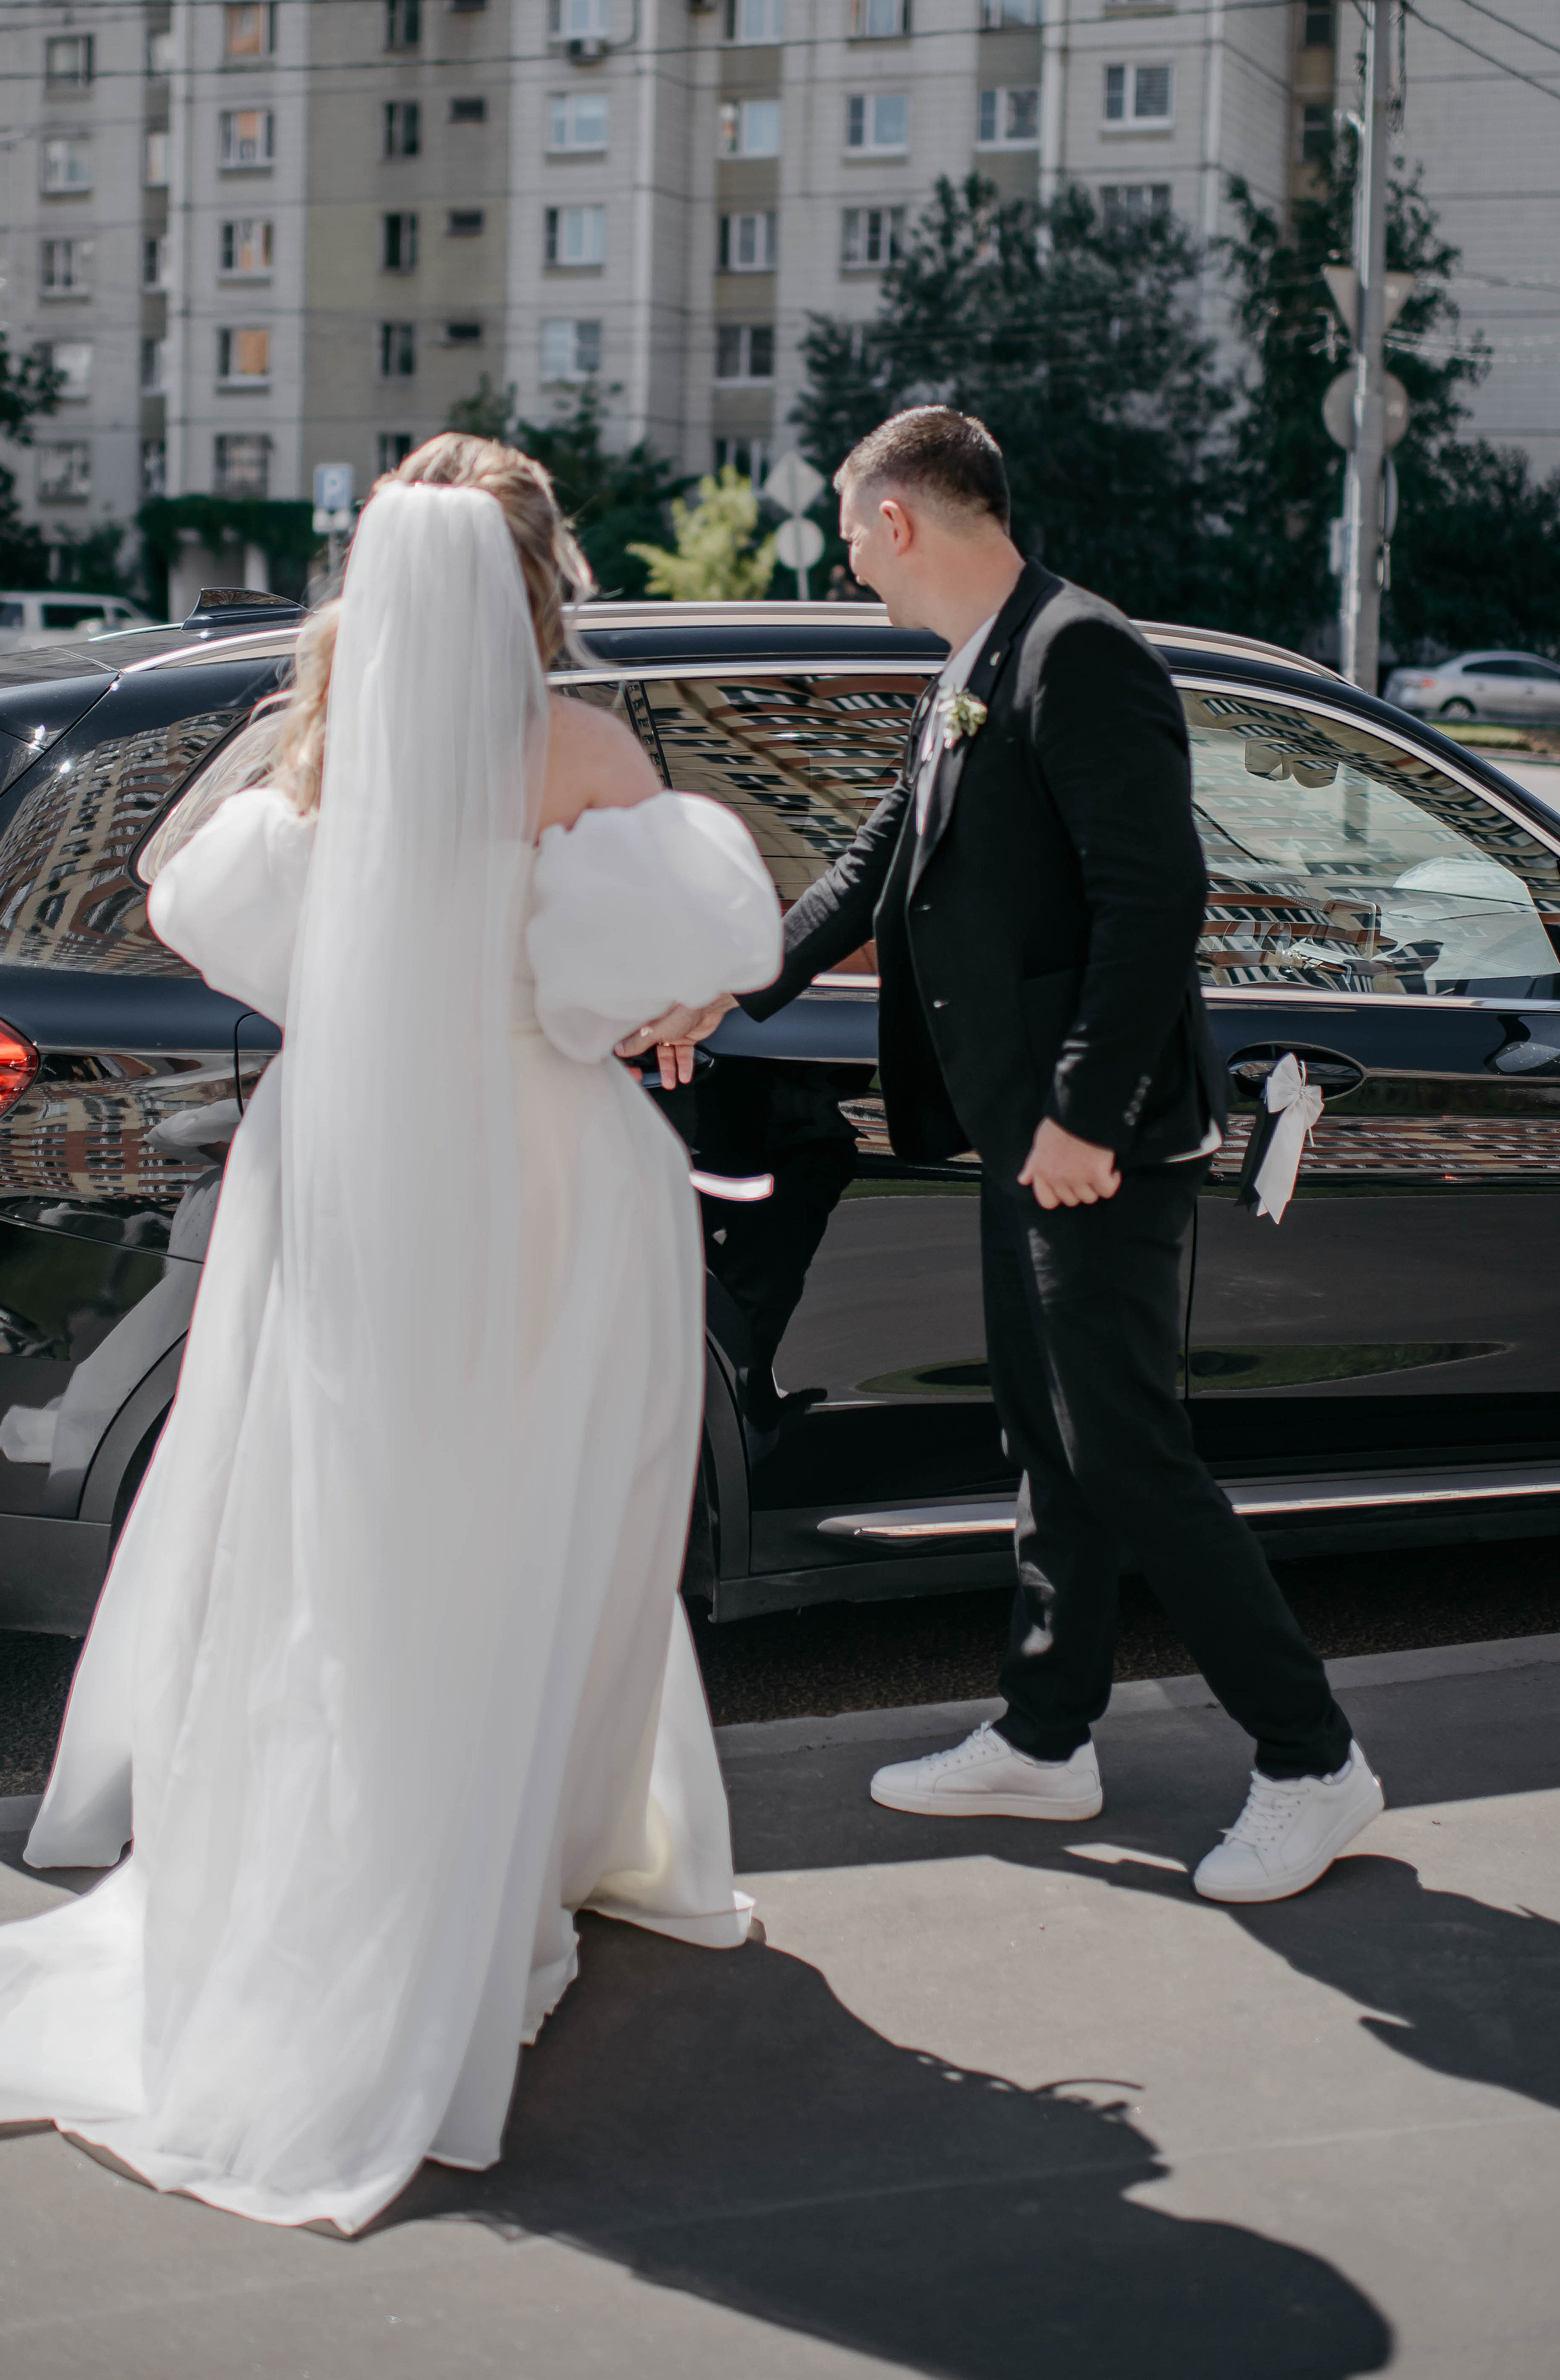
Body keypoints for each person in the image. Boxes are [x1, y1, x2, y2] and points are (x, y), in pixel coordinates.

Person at [0, 436, 784, 2231]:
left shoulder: (313, 755)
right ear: (541, 578)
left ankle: (359, 1860)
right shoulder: (584, 754)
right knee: (555, 1526)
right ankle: (528, 1859)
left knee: (350, 1537)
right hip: (548, 1183)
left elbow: (199, 908)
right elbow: (665, 978)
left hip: (348, 1180)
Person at [623, 407, 1383, 1905]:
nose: (847, 561)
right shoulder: (976, 663)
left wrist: (1085, 1117)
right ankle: (1046, 1738)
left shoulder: (1079, 654)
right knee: (1046, 1437)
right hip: (1016, 1128)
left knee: (1128, 1453)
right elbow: (875, 865)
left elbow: (1152, 901)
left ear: (899, 519)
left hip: (1091, 1141)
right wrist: (728, 985)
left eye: (852, 532)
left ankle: (1311, 1760)